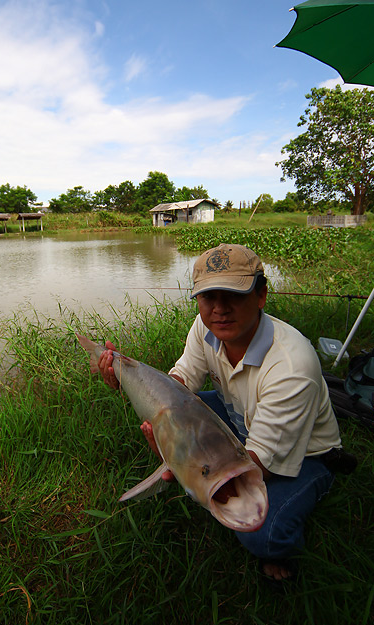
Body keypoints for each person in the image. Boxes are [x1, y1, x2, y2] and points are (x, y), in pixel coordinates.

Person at [98, 243, 354, 583]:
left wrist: (182, 464)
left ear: (261, 295)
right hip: (239, 419)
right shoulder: (205, 328)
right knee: (171, 412)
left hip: (307, 453)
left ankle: (289, 539)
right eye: (208, 297)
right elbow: (180, 382)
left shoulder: (292, 366)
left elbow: (256, 464)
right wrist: (128, 375)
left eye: (233, 295)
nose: (220, 310)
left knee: (261, 532)